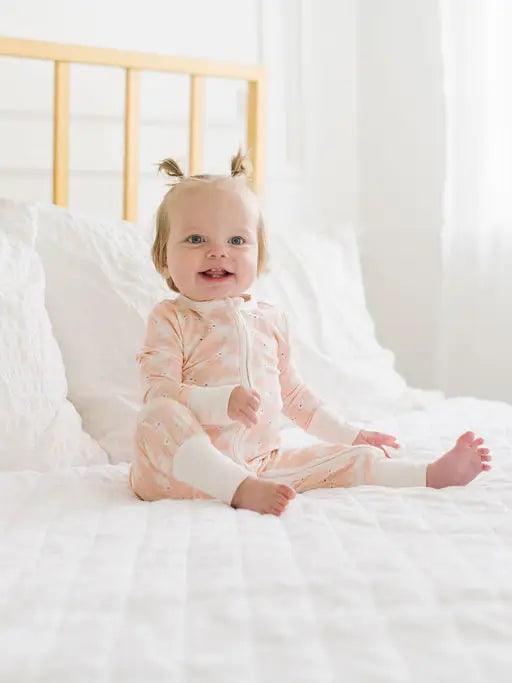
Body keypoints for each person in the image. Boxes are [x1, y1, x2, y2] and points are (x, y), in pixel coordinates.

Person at [129, 150, 492, 516]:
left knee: (348, 458)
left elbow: (294, 396)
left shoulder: (269, 320)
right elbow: (159, 389)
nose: (218, 252)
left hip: (261, 465)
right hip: (179, 473)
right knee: (157, 415)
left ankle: (428, 475)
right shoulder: (171, 318)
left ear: (260, 256)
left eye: (237, 241)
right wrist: (221, 402)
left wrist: (351, 435)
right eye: (196, 239)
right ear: (163, 258)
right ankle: (236, 488)